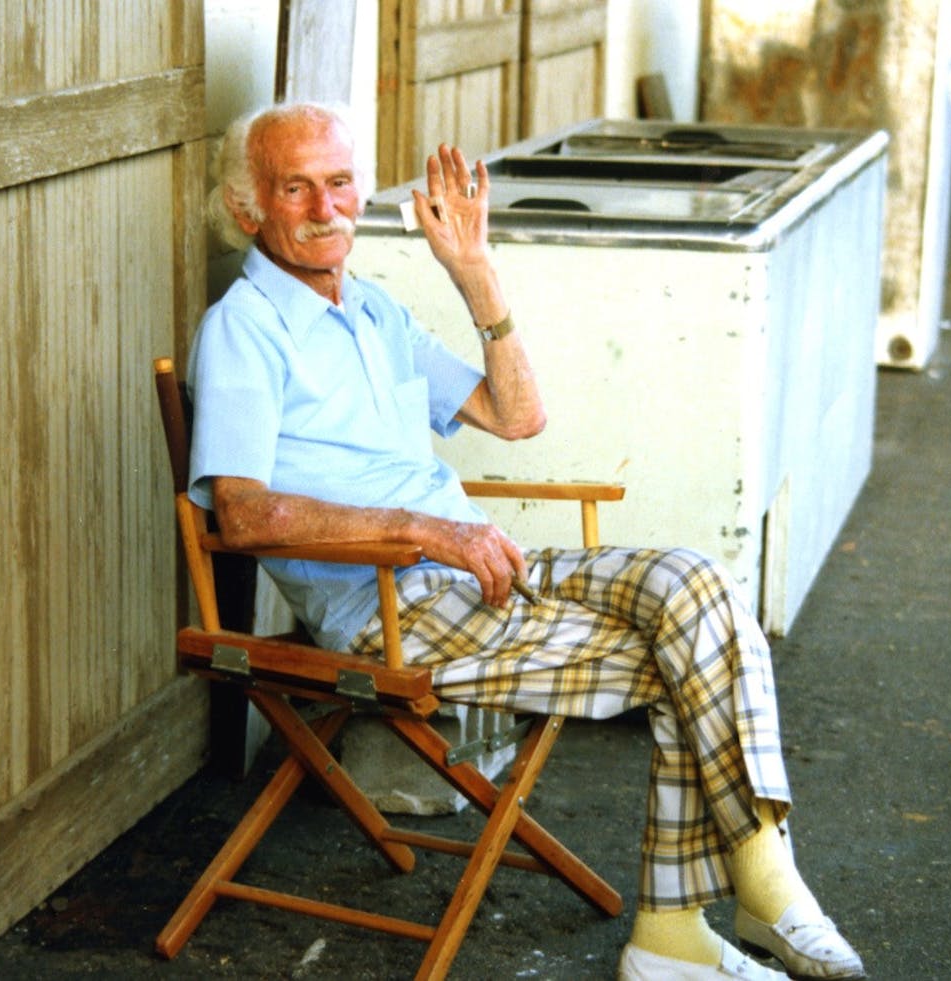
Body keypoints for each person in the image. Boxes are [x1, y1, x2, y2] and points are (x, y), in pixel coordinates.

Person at [187, 101, 867, 981]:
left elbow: (519, 415)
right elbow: (241, 515)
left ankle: (733, 902)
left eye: (341, 182)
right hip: (390, 605)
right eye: (297, 188)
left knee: (699, 584)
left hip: (471, 570)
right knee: (688, 659)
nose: (327, 207)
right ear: (250, 211)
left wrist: (475, 272)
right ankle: (686, 929)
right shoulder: (244, 328)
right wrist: (425, 528)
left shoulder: (373, 311)